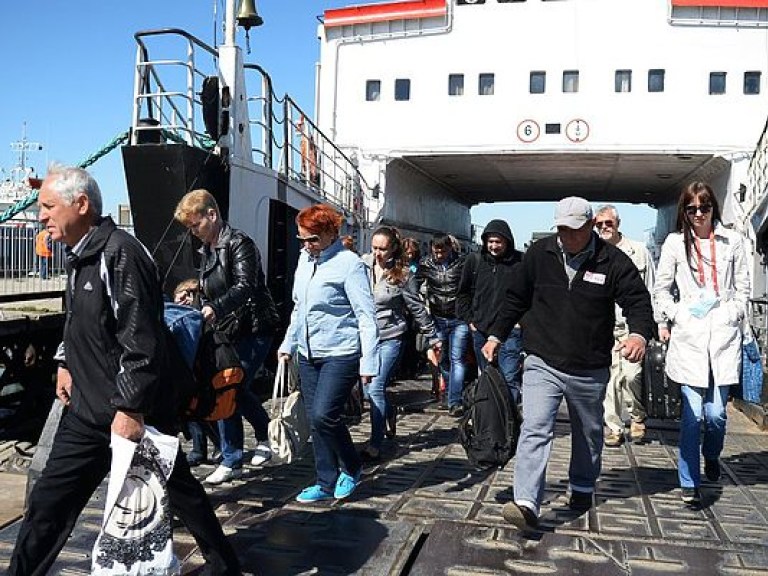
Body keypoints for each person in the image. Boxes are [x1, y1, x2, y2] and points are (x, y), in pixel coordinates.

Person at [9, 164, 240, 575]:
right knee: (49, 502)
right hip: (88, 411)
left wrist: (130, 409)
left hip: (133, 412)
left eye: (47, 206)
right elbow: (81, 321)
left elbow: (142, 338)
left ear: (80, 205)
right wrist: (65, 362)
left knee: (182, 493)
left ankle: (226, 566)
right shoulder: (81, 254)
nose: (41, 214)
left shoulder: (120, 254)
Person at [482, 196, 655, 530]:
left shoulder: (612, 260)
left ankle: (582, 485)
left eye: (574, 229)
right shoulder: (539, 253)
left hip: (589, 366)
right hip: (542, 360)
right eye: (561, 228)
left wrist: (639, 336)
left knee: (588, 434)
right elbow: (516, 298)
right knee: (535, 427)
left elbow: (637, 301)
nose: (566, 235)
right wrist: (495, 335)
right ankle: (526, 502)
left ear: (590, 226)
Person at [175, 189, 280, 484]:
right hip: (229, 328)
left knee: (232, 386)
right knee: (229, 386)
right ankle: (250, 445)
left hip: (255, 326)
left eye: (196, 225)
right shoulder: (208, 249)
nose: (193, 232)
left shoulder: (238, 243)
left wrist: (214, 309)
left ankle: (243, 448)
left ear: (212, 214)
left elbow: (246, 286)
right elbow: (212, 287)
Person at [654, 182, 750, 506]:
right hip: (690, 337)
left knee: (717, 414)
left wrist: (731, 313)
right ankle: (688, 482)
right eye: (691, 209)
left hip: (722, 337)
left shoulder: (732, 242)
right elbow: (662, 289)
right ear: (684, 211)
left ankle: (712, 455)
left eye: (704, 207)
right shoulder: (674, 244)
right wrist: (675, 315)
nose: (698, 214)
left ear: (713, 209)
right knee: (693, 414)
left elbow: (742, 290)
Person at [278, 204, 379, 502]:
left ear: (331, 233)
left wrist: (368, 361)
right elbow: (300, 309)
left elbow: (365, 315)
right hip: (309, 353)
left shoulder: (350, 265)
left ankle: (351, 465)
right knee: (314, 419)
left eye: (312, 239)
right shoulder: (305, 261)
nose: (307, 245)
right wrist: (288, 344)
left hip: (341, 351)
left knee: (324, 415)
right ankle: (325, 481)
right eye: (302, 240)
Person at [361, 226, 441, 461]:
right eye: (374, 247)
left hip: (391, 336)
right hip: (365, 338)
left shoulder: (403, 274)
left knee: (375, 387)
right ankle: (389, 410)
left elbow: (416, 307)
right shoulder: (361, 265)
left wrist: (433, 335)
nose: (377, 253)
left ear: (393, 249)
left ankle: (375, 444)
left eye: (382, 249)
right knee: (368, 392)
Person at [594, 205, 656, 446]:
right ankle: (614, 427)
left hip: (632, 326)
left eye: (608, 223)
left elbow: (650, 289)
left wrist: (653, 325)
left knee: (632, 376)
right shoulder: (594, 254)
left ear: (618, 223)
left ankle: (637, 417)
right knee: (610, 379)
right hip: (606, 327)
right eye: (599, 225)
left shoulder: (638, 251)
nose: (604, 228)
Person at [456, 219, 524, 404]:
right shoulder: (475, 261)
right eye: (490, 241)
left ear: (507, 242)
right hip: (481, 328)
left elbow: (529, 295)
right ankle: (491, 419)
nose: (494, 246)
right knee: (488, 376)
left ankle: (509, 420)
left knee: (509, 376)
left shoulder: (520, 262)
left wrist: (521, 322)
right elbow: (463, 293)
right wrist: (471, 321)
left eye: (498, 242)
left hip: (510, 330)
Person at [417, 234, 469, 416]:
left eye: (443, 251)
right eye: (436, 251)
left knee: (457, 358)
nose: (439, 255)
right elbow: (413, 286)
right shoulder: (426, 264)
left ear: (450, 249)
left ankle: (455, 400)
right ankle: (449, 393)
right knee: (444, 360)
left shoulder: (461, 263)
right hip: (438, 318)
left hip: (458, 318)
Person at [173, 278, 222, 466]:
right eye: (182, 295)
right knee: (192, 413)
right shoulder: (175, 314)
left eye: (190, 295)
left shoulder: (197, 315)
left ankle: (218, 445)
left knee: (203, 412)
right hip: (187, 369)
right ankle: (199, 449)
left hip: (201, 369)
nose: (185, 299)